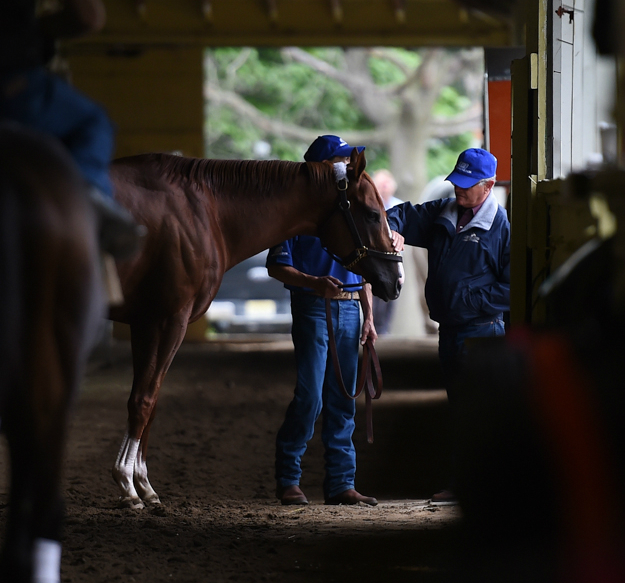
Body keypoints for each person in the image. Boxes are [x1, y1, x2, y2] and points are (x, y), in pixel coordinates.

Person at [386, 148, 510, 505]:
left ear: (487, 186)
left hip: (482, 333)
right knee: (459, 409)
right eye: (456, 181)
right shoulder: (442, 213)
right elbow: (399, 215)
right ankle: (464, 486)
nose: (459, 189)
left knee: (478, 412)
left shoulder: (500, 228)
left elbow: (510, 289)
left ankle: (483, 487)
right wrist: (392, 230)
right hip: (451, 332)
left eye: (468, 184)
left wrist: (468, 304)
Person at [266, 135, 378, 507]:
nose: (347, 166)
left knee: (343, 397)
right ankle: (288, 478)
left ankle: (341, 483)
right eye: (341, 160)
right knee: (311, 396)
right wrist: (314, 283)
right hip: (314, 305)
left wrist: (369, 316)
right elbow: (276, 265)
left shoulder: (347, 207)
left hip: (349, 306)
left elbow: (363, 266)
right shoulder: (295, 215)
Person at [0, 0, 141, 259]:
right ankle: (90, 199)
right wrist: (36, 28)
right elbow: (87, 18)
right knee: (93, 122)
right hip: (14, 88)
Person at [371, 169, 403, 335]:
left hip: (393, 263)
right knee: (375, 304)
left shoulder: (399, 206)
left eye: (386, 185)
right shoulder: (370, 207)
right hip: (374, 262)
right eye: (381, 185)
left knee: (389, 303)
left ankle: (384, 334)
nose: (384, 189)